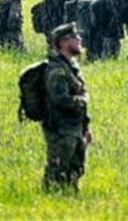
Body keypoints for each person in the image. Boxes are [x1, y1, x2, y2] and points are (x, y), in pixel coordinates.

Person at [42, 23, 92, 193]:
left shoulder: (71, 68)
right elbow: (60, 99)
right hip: (61, 129)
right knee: (57, 170)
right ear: (63, 42)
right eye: (75, 38)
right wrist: (82, 101)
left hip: (75, 128)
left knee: (75, 170)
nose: (79, 40)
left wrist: (85, 128)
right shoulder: (57, 71)